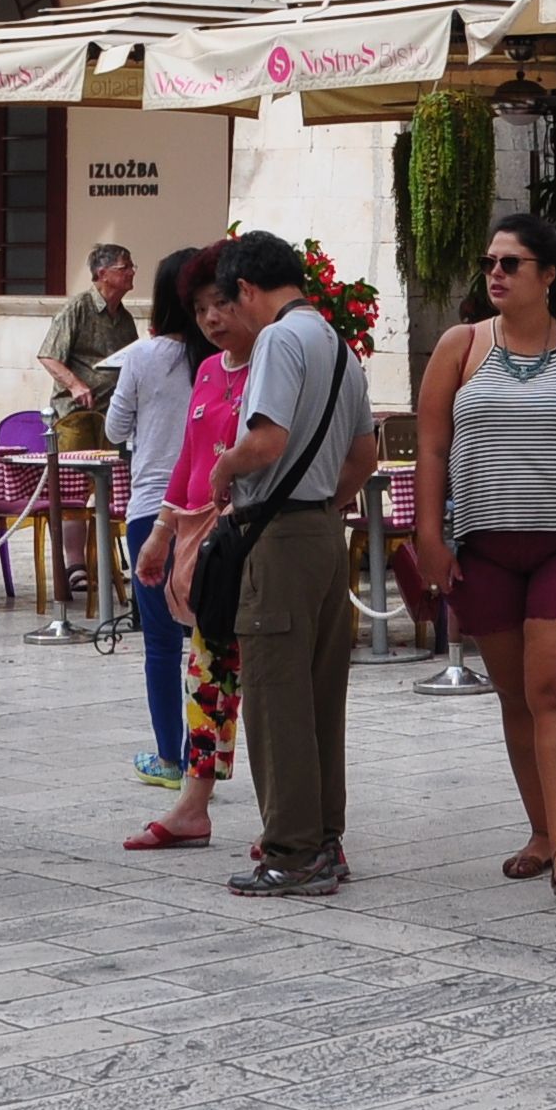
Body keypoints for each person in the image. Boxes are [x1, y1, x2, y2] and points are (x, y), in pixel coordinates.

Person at [411, 211, 556, 900]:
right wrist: (430, 535)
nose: (495, 273)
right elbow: (429, 448)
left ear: (549, 275)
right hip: (486, 543)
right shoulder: (458, 348)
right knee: (517, 695)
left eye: (511, 263)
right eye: (490, 261)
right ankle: (542, 833)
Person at [199, 229, 376, 900]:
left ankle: (293, 853)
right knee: (320, 695)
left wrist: (224, 466)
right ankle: (325, 839)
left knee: (275, 697)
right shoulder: (338, 346)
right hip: (327, 534)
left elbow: (266, 440)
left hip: (279, 535)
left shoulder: (278, 339)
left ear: (247, 288)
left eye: (229, 302)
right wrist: (320, 502)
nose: (228, 319)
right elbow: (361, 457)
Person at [126, 251, 254, 854]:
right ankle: (193, 807)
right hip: (209, 549)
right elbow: (188, 460)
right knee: (207, 673)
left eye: (220, 305)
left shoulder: (273, 367)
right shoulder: (208, 372)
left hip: (257, 538)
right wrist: (161, 531)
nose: (209, 318)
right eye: (199, 308)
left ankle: (297, 817)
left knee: (274, 680)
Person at [100, 247, 206, 793]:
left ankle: (172, 757)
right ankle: (207, 757)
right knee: (210, 643)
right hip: (212, 509)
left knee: (162, 644)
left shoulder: (143, 358)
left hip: (153, 510)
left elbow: (116, 430)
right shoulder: (226, 358)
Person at [37, 246, 138, 451]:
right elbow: (48, 356)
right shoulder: (78, 307)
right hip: (76, 415)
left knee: (109, 480)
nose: (132, 272)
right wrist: (75, 385)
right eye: (125, 267)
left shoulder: (125, 318)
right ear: (103, 274)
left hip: (111, 416)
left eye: (131, 267)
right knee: (76, 478)